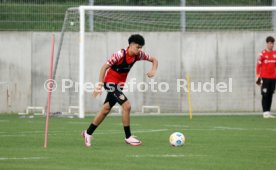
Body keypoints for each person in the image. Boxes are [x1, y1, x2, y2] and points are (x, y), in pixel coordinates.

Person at [81, 34, 158, 147]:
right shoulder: (119, 54)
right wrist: (99, 85)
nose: (139, 50)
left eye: (141, 47)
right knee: (127, 106)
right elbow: (104, 67)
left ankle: (88, 133)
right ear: (130, 45)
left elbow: (154, 60)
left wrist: (153, 70)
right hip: (110, 84)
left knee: (105, 109)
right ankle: (128, 137)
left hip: (119, 86)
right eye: (138, 47)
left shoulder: (139, 55)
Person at [256, 36, 276, 118]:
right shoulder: (262, 54)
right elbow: (258, 66)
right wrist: (258, 77)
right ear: (267, 43)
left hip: (273, 78)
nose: (271, 45)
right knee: (265, 94)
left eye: (273, 43)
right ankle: (265, 112)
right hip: (265, 78)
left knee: (270, 94)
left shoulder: (275, 54)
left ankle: (268, 111)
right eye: (270, 43)